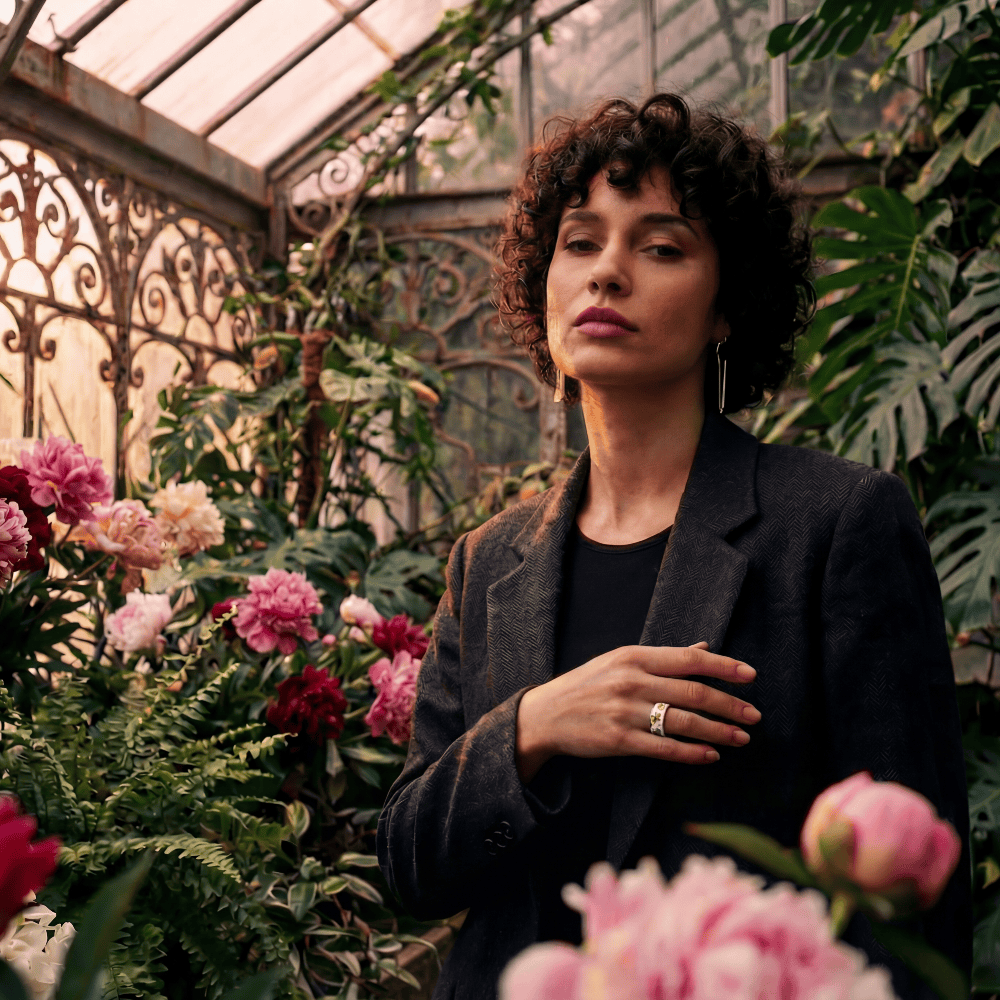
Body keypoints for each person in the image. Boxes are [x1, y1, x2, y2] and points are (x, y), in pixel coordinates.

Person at [376, 94, 971, 1000]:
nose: (607, 273)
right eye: (580, 242)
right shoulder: (487, 559)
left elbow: (914, 905)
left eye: (661, 247)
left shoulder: (838, 524)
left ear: (726, 305)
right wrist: (535, 726)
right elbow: (409, 866)